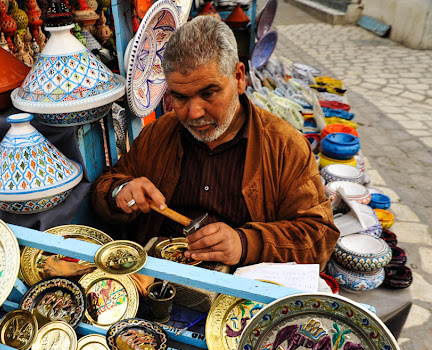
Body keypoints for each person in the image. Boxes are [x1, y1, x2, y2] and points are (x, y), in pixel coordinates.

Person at [91, 16, 339, 273]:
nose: (194, 113)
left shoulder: (285, 147)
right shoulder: (160, 134)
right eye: (180, 97)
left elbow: (318, 238)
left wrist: (246, 243)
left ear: (239, 78)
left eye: (208, 93)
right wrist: (119, 192)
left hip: (239, 292)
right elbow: (104, 187)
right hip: (158, 277)